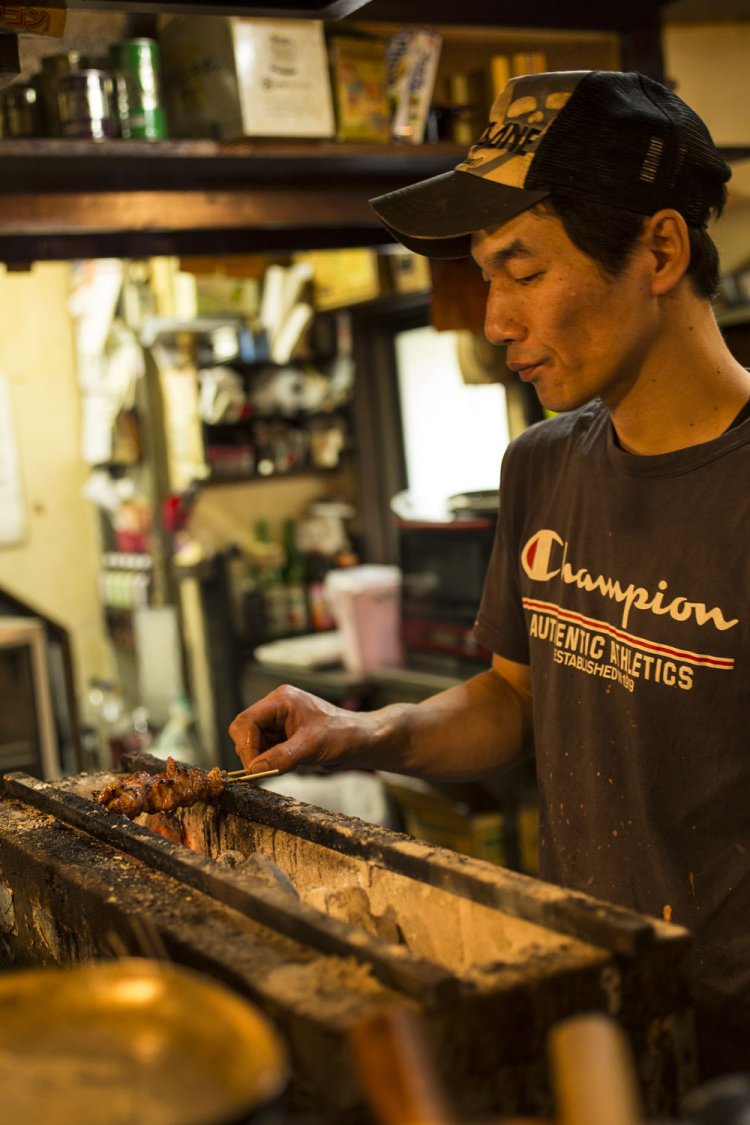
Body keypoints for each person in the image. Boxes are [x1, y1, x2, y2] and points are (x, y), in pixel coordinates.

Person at [229, 70, 750, 1077]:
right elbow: (518, 700)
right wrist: (357, 732)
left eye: (522, 269)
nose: (494, 319)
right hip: (586, 997)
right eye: (485, 275)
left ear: (661, 249)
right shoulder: (543, 465)